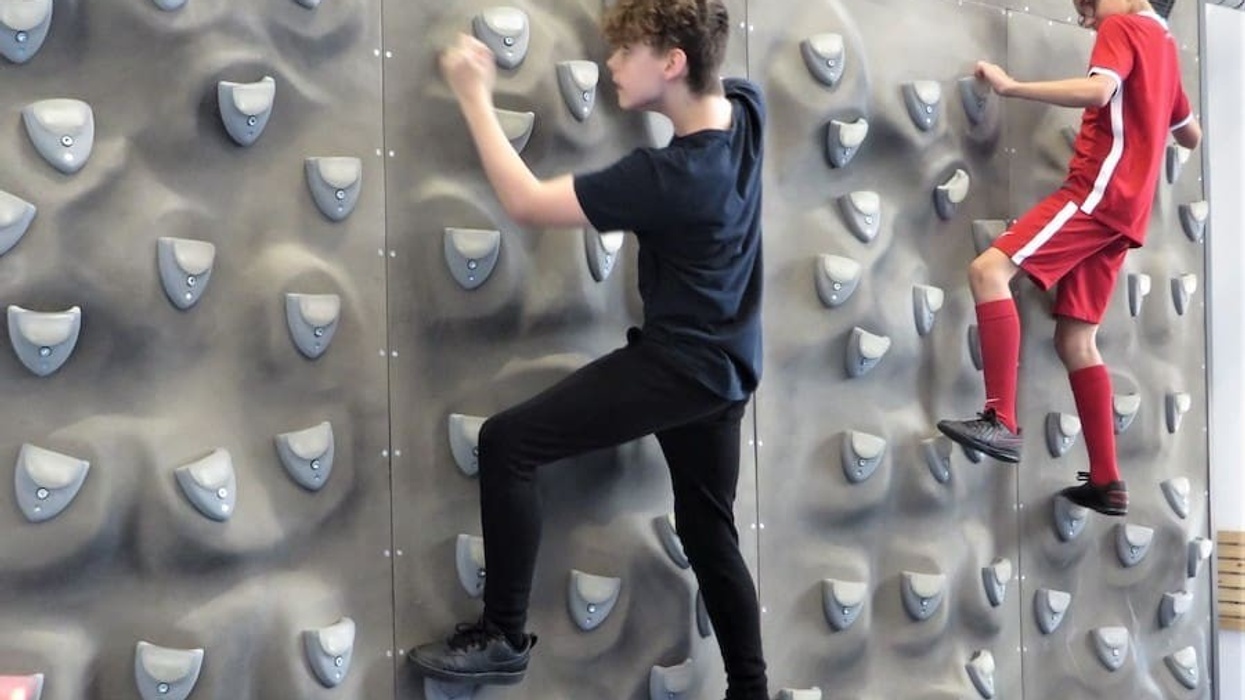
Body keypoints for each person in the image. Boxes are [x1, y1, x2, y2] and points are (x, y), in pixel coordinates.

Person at [408, 1, 769, 697]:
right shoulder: (747, 114)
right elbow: (714, 69)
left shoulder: (669, 177)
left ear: (671, 62)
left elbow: (525, 202)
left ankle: (503, 637)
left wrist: (474, 96)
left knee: (508, 443)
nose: (609, 63)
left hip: (680, 365)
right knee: (706, 530)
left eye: (626, 48)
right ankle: (749, 688)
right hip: (727, 370)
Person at [937, 0, 1202, 517]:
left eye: (1087, 3)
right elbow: (1190, 134)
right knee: (1077, 339)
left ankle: (1001, 420)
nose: (1083, 17)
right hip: (1127, 214)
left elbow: (1100, 89)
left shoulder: (1123, 27)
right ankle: (1106, 479)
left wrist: (1012, 87)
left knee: (988, 271)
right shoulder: (1164, 45)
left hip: (1095, 195)